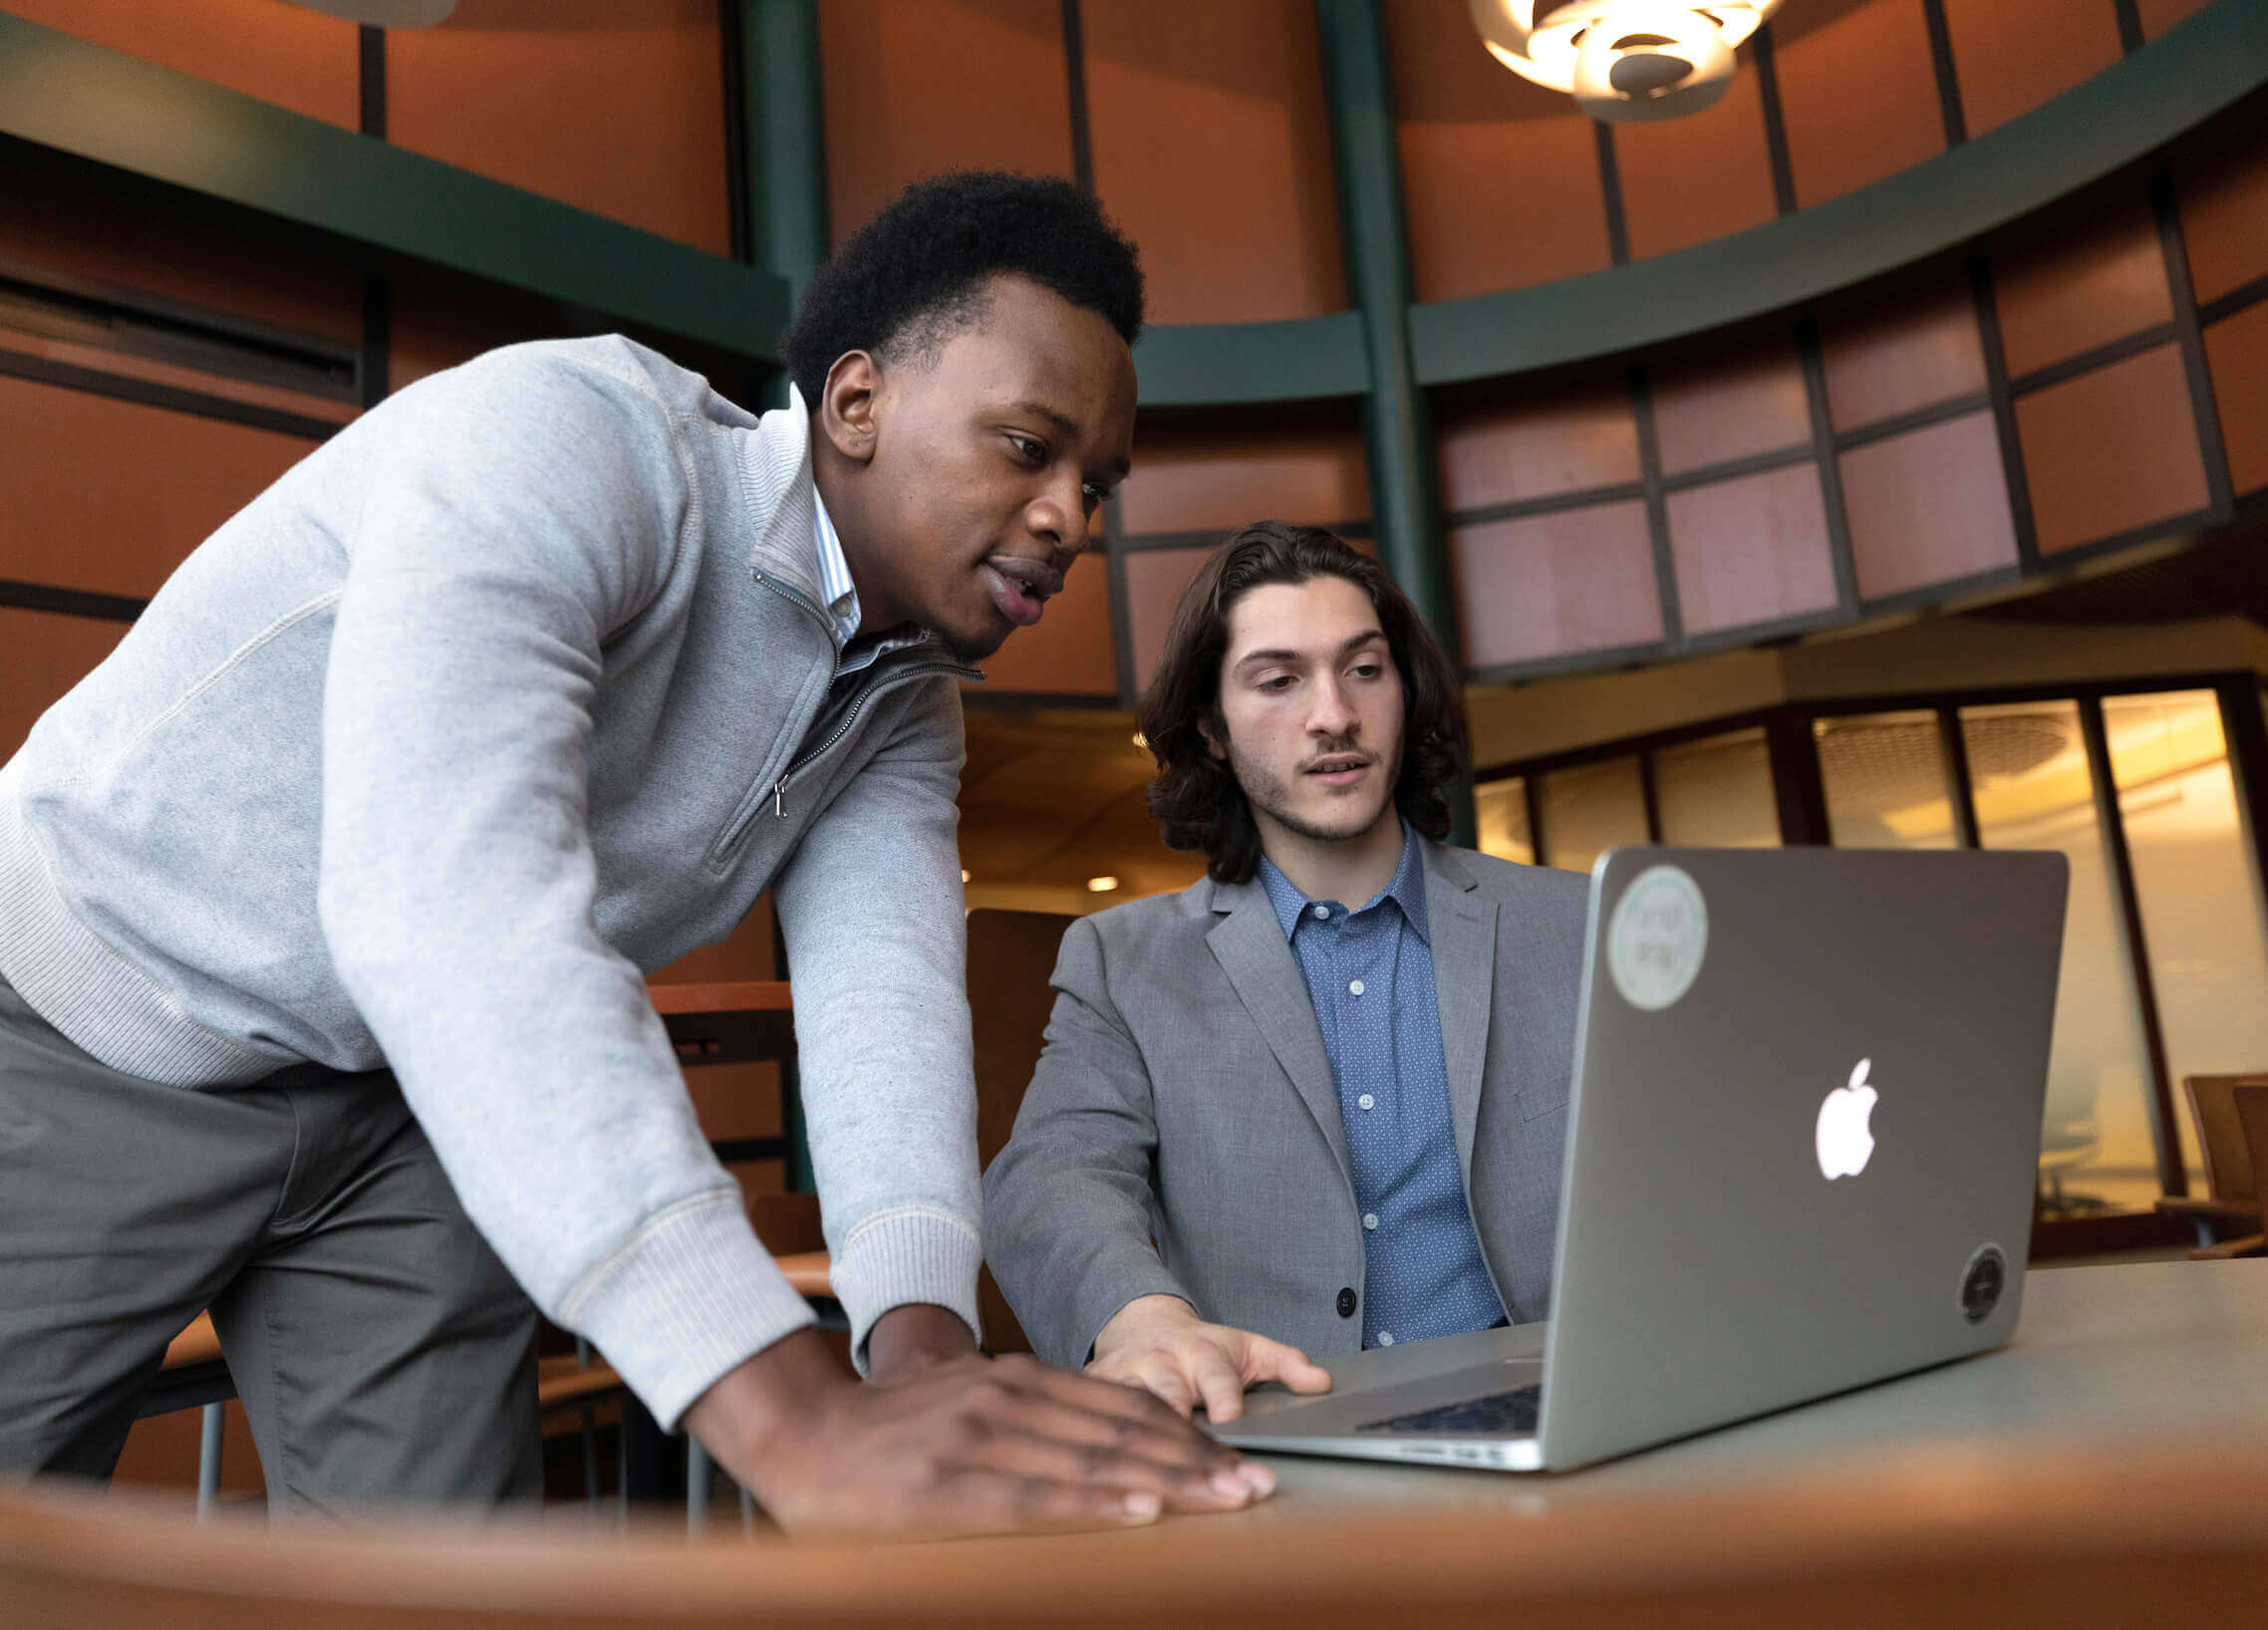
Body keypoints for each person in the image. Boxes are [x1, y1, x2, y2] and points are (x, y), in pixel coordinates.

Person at [0, 170, 1273, 1532]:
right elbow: (443, 907)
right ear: (857, 404)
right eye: (1030, 448)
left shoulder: (905, 702)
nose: (1072, 517)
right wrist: (797, 1422)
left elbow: (882, 1012)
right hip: (87, 1022)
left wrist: (923, 1361)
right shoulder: (570, 439)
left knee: (447, 1594)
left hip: (403, 1099)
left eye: (1099, 484)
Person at [984, 522, 1588, 1422]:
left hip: (1567, 1417)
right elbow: (1048, 1179)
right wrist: (1140, 1318)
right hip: (1286, 1431)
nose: (1334, 715)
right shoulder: (1126, 961)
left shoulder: (1573, 924)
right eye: (1278, 680)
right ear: (1213, 731)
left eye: (1364, 669)